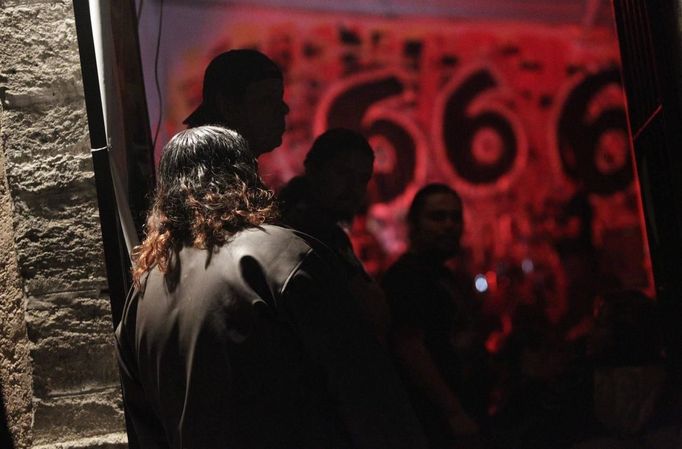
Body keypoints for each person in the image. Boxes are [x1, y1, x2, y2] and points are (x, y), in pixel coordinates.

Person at [116, 126, 427, 449]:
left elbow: (144, 426)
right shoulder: (282, 255)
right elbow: (362, 385)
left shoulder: (143, 292)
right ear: (246, 177)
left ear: (166, 192)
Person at [382, 183, 486, 448]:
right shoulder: (407, 276)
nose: (449, 225)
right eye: (438, 217)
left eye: (455, 217)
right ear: (414, 224)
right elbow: (409, 346)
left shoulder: (442, 274)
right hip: (430, 424)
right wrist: (453, 412)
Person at [279, 128, 390, 342]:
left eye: (362, 179)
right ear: (314, 170)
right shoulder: (299, 234)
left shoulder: (331, 234)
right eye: (342, 173)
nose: (354, 188)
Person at [183, 49, 289, 157]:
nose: (284, 109)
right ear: (228, 107)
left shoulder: (198, 166)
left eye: (279, 98)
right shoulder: (211, 171)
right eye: (267, 100)